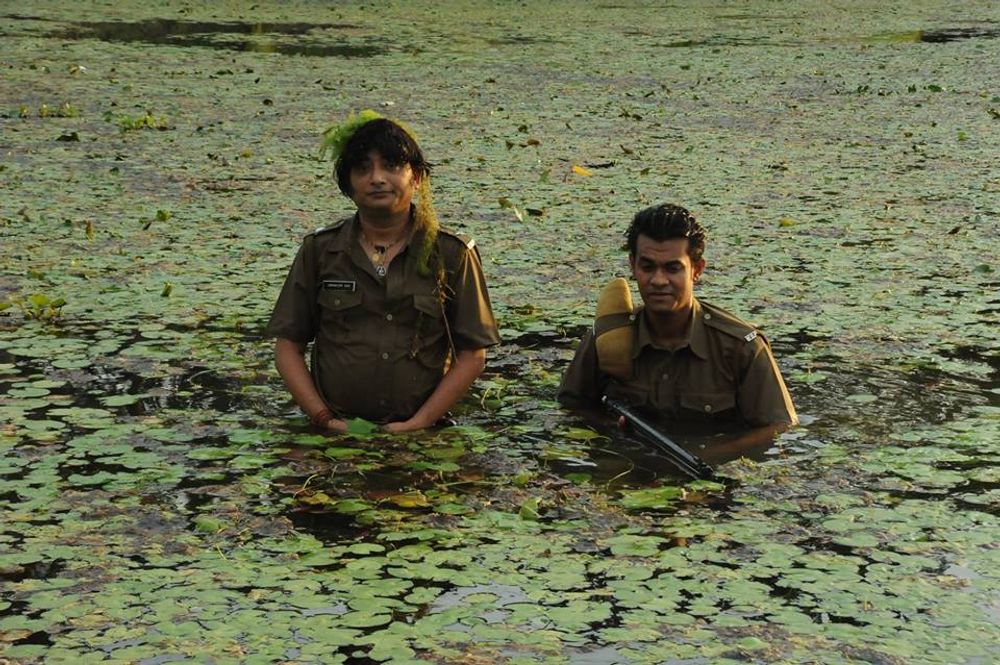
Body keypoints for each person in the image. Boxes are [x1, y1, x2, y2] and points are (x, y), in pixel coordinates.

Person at [267, 111, 500, 434]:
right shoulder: (320, 250)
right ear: (348, 184)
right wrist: (323, 419)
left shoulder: (452, 253)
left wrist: (420, 422)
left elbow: (473, 355)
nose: (377, 178)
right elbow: (287, 347)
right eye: (363, 169)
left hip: (425, 435)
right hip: (333, 436)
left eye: (391, 166)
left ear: (416, 177)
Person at [558, 203, 797, 457]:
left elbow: (779, 426)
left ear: (697, 269)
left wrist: (711, 455)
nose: (658, 281)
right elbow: (570, 408)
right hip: (627, 466)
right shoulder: (607, 337)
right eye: (647, 267)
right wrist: (612, 430)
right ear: (632, 265)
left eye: (672, 268)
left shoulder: (741, 347)